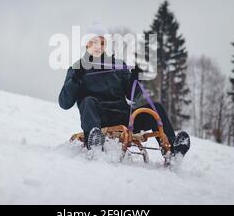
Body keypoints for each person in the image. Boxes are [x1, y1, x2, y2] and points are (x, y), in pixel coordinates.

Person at [58, 22, 190, 158]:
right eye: (94, 42)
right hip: (98, 118)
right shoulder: (77, 68)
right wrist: (75, 80)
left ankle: (173, 150)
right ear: (87, 44)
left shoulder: (118, 65)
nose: (98, 46)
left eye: (102, 43)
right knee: (88, 101)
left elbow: (133, 96)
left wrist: (136, 78)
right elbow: (64, 103)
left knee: (155, 107)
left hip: (124, 116)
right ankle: (95, 144)